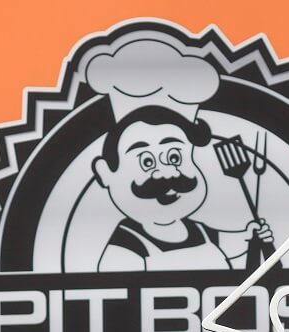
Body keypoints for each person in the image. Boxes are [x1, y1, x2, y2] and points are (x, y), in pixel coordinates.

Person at [91, 106, 272, 271]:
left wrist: (252, 235)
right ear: (106, 173)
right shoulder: (126, 247)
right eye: (147, 162)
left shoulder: (200, 232)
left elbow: (235, 244)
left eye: (175, 157)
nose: (167, 172)